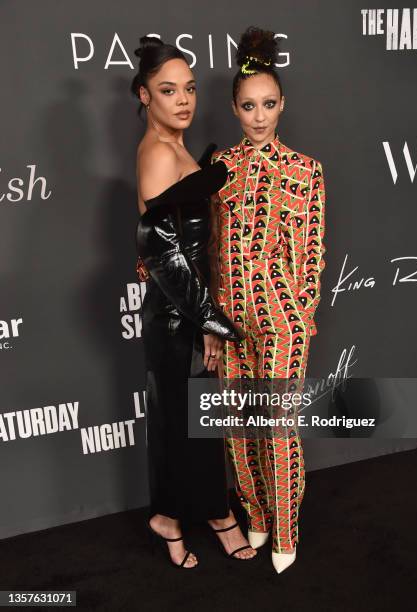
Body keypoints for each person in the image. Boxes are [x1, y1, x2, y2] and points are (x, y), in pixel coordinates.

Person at [132, 36, 257, 569]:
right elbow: (162, 254)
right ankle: (185, 517)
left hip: (184, 308)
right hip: (178, 312)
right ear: (144, 96)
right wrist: (209, 321)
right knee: (181, 423)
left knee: (193, 422)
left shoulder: (175, 146)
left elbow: (175, 222)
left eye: (188, 89)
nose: (183, 100)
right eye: (167, 90)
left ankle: (196, 513)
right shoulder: (160, 152)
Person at [212, 26, 327, 573]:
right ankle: (255, 516)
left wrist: (299, 316)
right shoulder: (219, 170)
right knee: (240, 428)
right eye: (248, 106)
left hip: (281, 322)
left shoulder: (304, 171)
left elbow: (310, 257)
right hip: (229, 322)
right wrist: (211, 324)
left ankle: (285, 528)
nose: (259, 116)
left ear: (283, 104)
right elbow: (210, 253)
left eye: (269, 105)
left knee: (277, 427)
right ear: (234, 108)